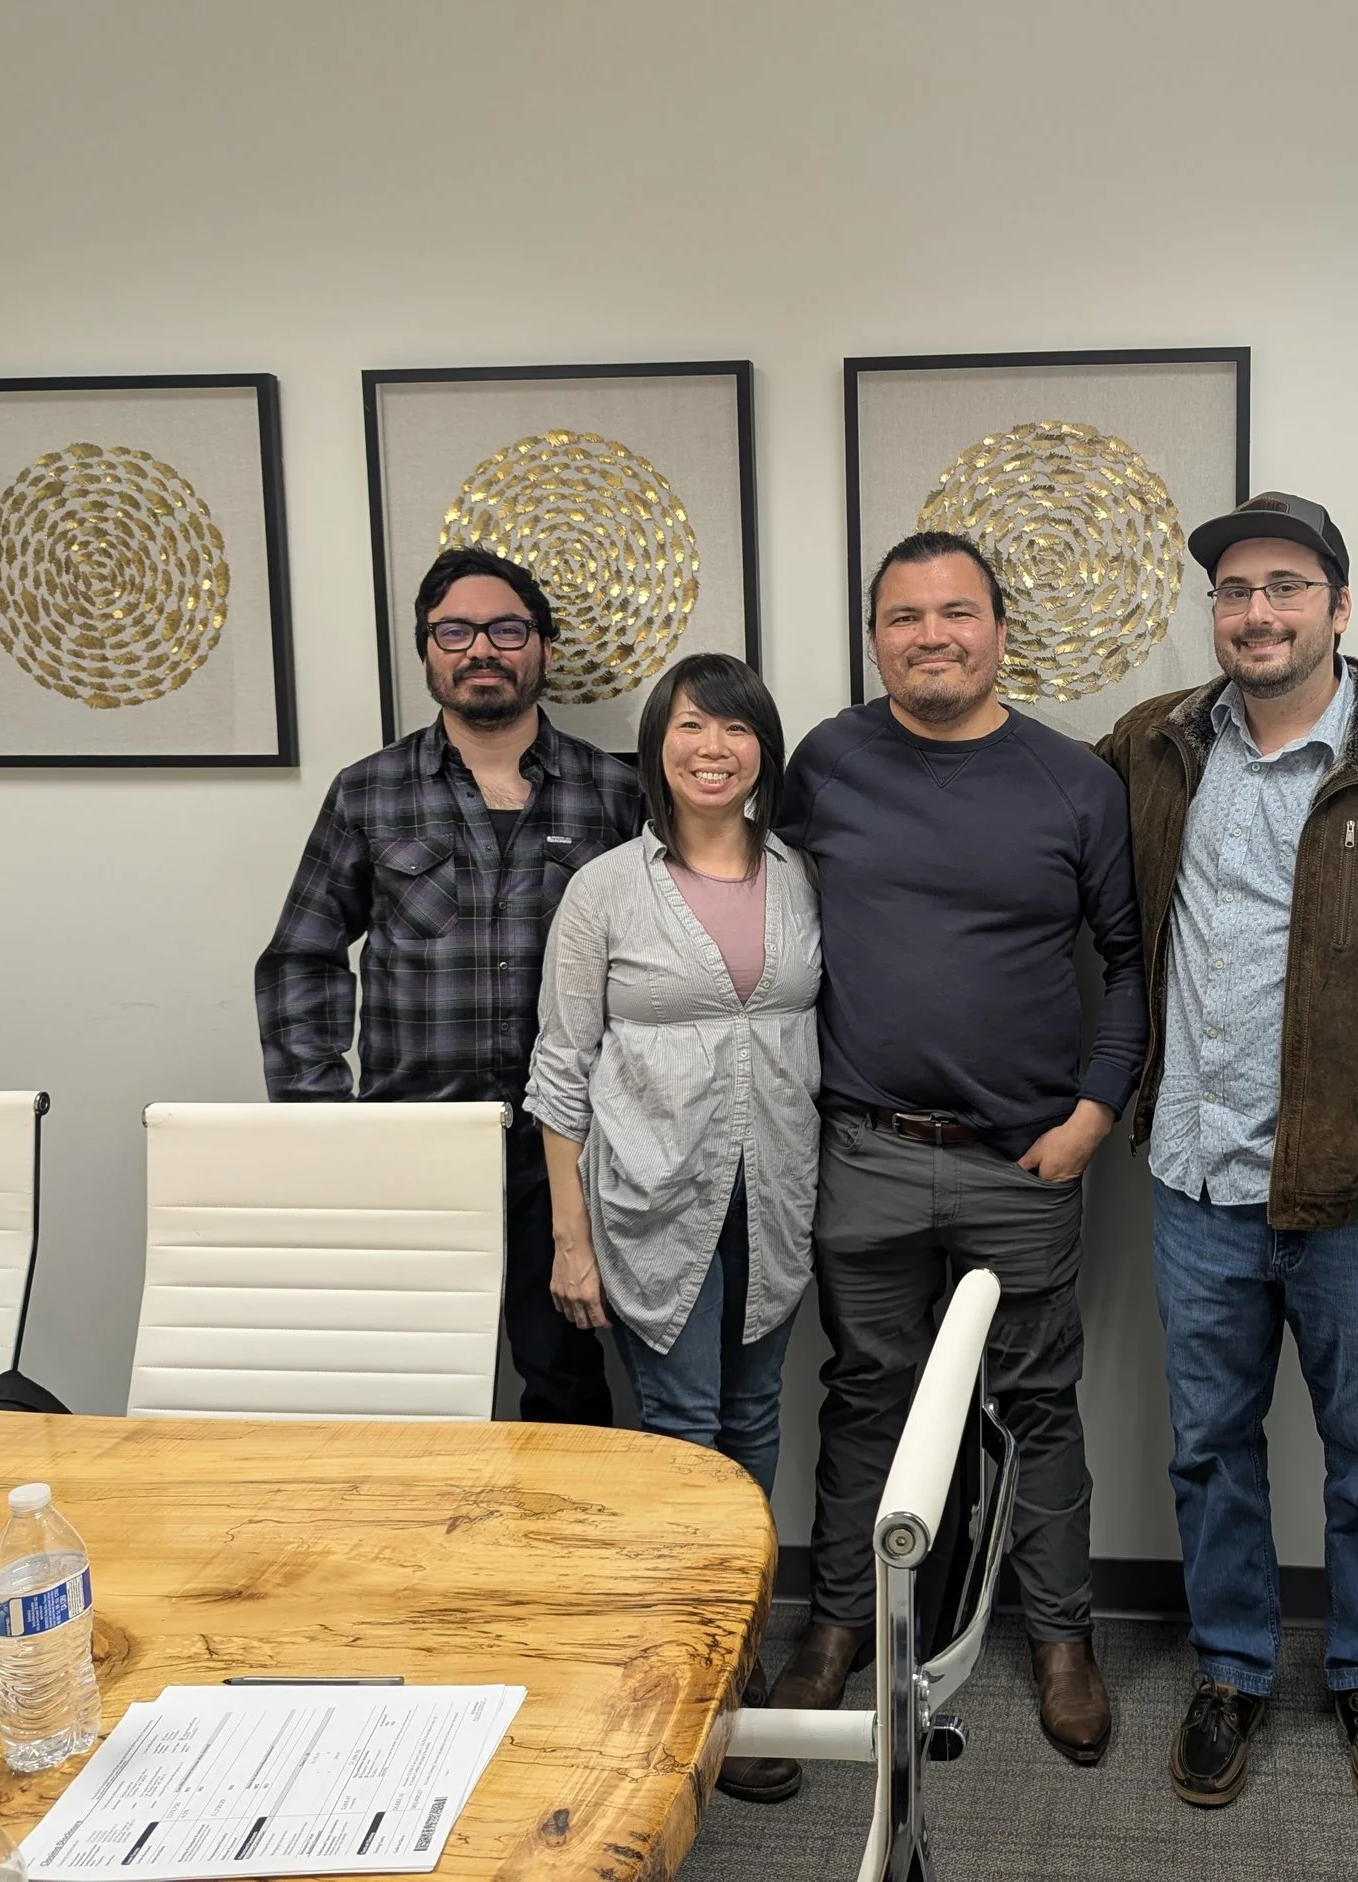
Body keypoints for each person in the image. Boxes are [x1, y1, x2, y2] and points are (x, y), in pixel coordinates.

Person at [1096, 492, 1358, 1819]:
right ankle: (1229, 1666)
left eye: (1284, 585)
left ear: (1338, 606)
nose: (1256, 610)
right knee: (1210, 1447)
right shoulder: (1153, 750)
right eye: (1232, 590)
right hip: (1196, 1180)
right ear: (1211, 613)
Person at [739, 530, 1147, 1797]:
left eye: (954, 613)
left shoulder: (1074, 782)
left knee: (1036, 1409)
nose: (931, 636)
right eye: (904, 617)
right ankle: (835, 1632)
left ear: (998, 631)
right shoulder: (828, 762)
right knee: (866, 1397)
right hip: (860, 1149)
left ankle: (1063, 1642)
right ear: (876, 639)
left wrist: (1092, 1115)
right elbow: (747, 884)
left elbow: (1129, 963)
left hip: (1019, 1162)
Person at [523, 651, 820, 1800]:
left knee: (752, 1430)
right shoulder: (605, 887)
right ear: (657, 746)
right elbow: (560, 1068)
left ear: (762, 749)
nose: (713, 748)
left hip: (777, 1195)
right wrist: (570, 1238)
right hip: (649, 1203)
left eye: (735, 729)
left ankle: (733, 1666)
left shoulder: (802, 875)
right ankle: (690, 1699)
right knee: (684, 1437)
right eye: (691, 727)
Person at [255, 545, 640, 1428]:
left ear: (542, 646)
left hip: (568, 1152)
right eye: (455, 631)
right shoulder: (370, 794)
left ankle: (556, 1561)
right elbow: (301, 960)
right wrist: (327, 1124)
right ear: (427, 650)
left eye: (507, 629)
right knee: (410, 1384)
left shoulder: (613, 796)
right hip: (416, 1147)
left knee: (569, 1379)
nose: (482, 650)